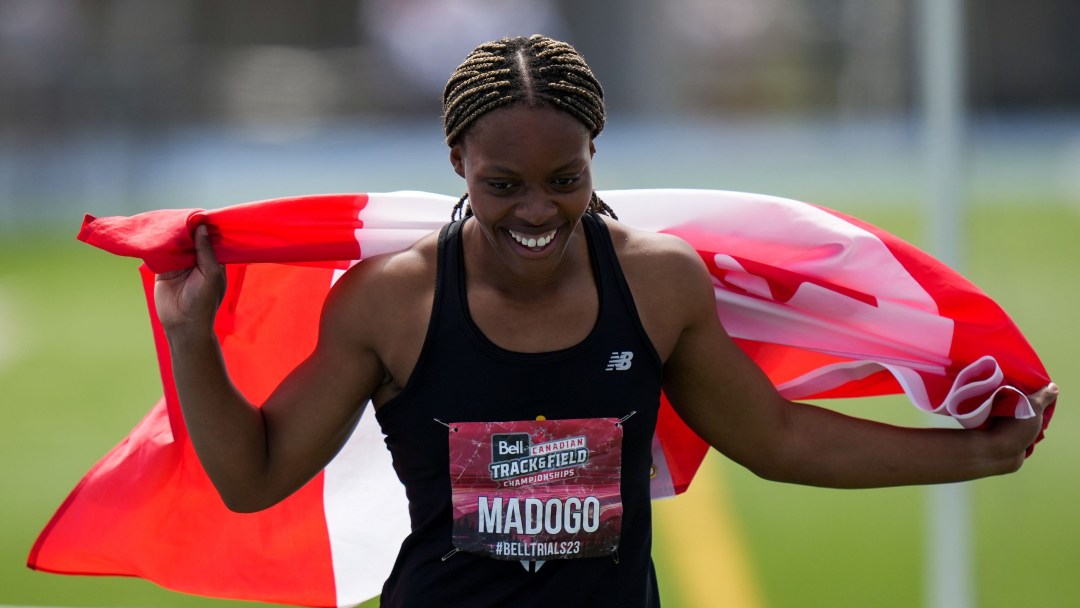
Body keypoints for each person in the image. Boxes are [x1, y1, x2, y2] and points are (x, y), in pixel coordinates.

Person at [154, 35, 1057, 607]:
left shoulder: (658, 284)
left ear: (594, 158)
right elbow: (255, 477)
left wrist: (973, 452)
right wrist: (193, 336)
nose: (537, 212)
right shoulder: (391, 301)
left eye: (565, 180)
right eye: (502, 185)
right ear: (457, 159)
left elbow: (775, 438)